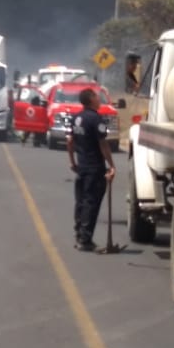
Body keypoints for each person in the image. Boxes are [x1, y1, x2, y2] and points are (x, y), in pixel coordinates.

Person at [66, 88, 117, 251]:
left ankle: (79, 234)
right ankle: (85, 239)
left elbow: (69, 141)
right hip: (95, 167)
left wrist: (73, 162)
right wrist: (112, 165)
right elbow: (103, 144)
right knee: (91, 202)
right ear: (90, 100)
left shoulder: (76, 118)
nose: (99, 98)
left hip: (81, 166)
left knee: (81, 201)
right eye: (96, 96)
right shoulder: (96, 119)